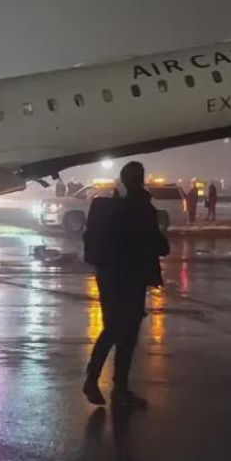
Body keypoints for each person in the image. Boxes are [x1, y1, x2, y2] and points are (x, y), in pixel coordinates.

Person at [82, 161, 170, 409]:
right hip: (131, 277)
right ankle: (114, 386)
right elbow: (157, 244)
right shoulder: (141, 207)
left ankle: (99, 380)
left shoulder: (110, 207)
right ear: (140, 179)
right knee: (125, 333)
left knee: (113, 329)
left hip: (109, 276)